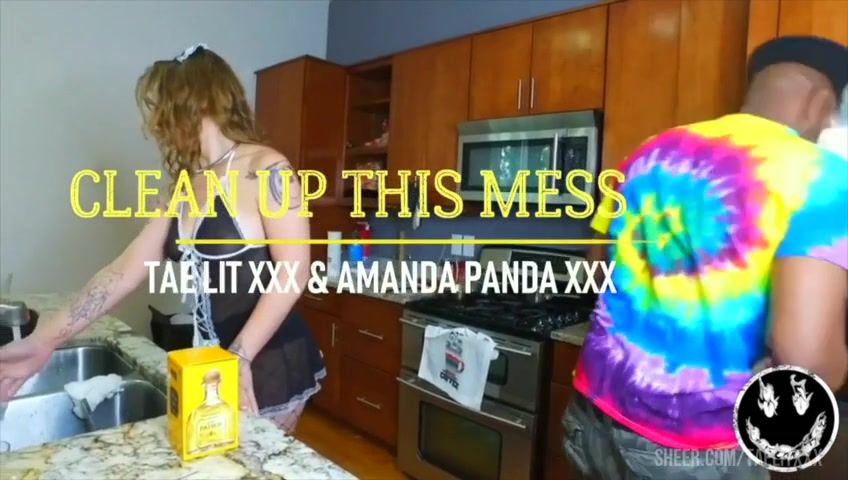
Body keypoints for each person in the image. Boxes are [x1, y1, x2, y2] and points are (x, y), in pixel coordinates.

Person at [562, 35, 848, 480]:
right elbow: (806, 362)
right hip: (695, 446)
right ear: (820, 103)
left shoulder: (647, 151)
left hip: (593, 413)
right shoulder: (824, 176)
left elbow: (596, 270)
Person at [0, 44, 326, 433]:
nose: (154, 124)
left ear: (195, 101)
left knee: (253, 462)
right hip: (211, 363)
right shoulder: (181, 188)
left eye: (161, 107)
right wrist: (44, 339)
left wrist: (238, 356)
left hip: (268, 363)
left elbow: (294, 270)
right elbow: (123, 272)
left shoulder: (266, 168)